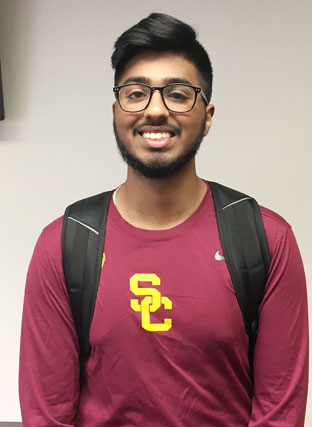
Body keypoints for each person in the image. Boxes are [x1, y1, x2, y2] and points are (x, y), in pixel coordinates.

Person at [19, 12, 308, 426]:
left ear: (207, 117)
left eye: (177, 93)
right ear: (116, 112)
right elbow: (46, 413)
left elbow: (281, 410)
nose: (155, 111)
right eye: (136, 94)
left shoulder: (266, 239)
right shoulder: (64, 244)